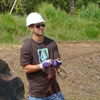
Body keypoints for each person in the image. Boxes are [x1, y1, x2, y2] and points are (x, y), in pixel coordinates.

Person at [20, 12, 65, 100]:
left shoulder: (51, 43)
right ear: (31, 28)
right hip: (37, 95)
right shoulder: (26, 47)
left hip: (54, 92)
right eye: (38, 26)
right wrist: (41, 65)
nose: (41, 27)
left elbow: (57, 58)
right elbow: (26, 68)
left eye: (42, 25)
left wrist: (57, 62)